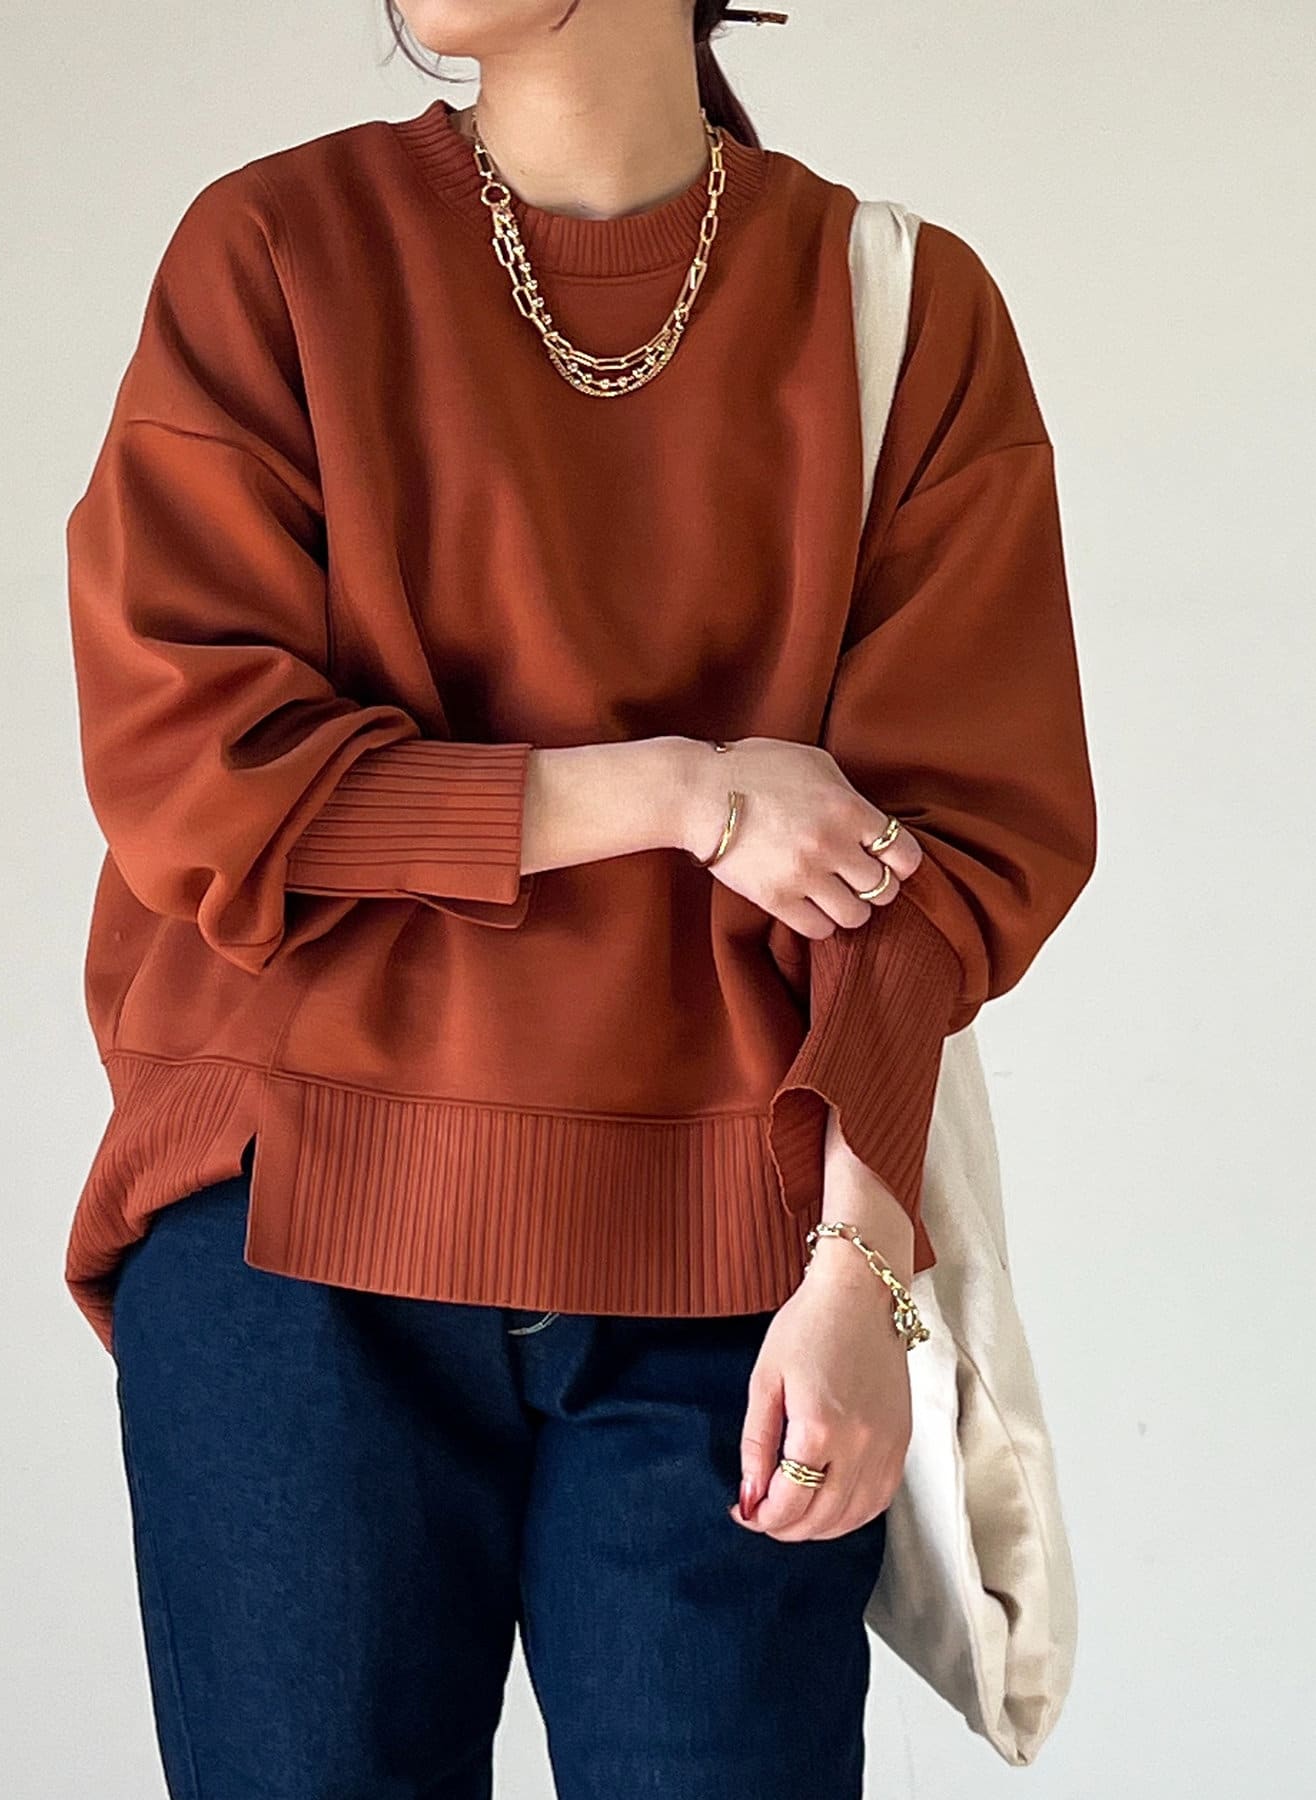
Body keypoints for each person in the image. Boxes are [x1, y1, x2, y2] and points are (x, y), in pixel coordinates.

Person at [62, 3, 1096, 1793]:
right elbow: (194, 767)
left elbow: (947, 859)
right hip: (295, 1247)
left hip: (734, 1279)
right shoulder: (279, 253)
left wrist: (861, 1267)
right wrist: (691, 795)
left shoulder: (898, 309)